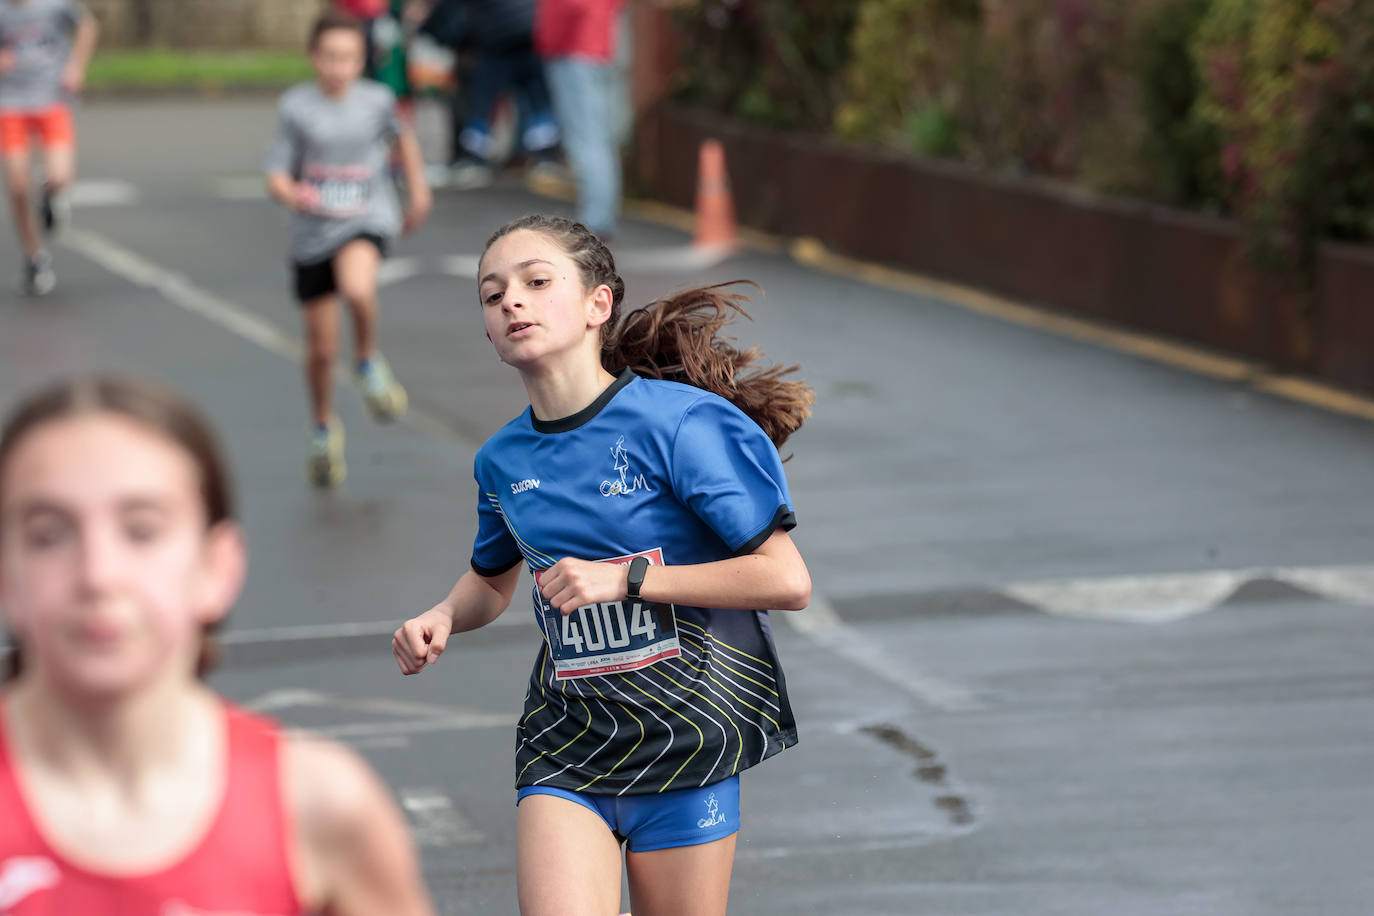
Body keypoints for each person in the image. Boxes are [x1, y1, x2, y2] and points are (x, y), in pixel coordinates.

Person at [393, 214, 814, 915]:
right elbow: (491, 583)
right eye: (492, 296)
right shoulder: (501, 461)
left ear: (598, 304)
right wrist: (442, 614)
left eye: (535, 282)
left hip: (688, 740)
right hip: (567, 745)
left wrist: (627, 578)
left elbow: (786, 579)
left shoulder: (680, 425)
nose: (511, 303)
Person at [0, 374, 435, 915]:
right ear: (6, 572)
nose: (97, 574)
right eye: (48, 535)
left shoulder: (320, 808)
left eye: (141, 530)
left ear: (216, 565)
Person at [265, 10, 432, 488]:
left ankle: (366, 361)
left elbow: (404, 143)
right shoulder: (296, 107)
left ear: (363, 60)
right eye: (330, 57)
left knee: (358, 288)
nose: (339, 66)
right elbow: (277, 168)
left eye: (349, 57)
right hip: (313, 230)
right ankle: (322, 428)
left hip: (366, 217)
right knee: (319, 350)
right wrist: (289, 192)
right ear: (313, 57)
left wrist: (418, 192)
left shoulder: (378, 101)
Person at [0, 0, 97, 296]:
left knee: (58, 178)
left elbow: (87, 25)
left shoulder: (54, 5)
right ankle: (34, 257)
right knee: (18, 186)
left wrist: (76, 67)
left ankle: (51, 199)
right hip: (10, 104)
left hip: (51, 100)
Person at [534, 0, 626, 239]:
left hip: (574, 52)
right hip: (596, 49)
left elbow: (570, 6)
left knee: (586, 140)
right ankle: (599, 216)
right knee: (597, 138)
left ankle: (596, 220)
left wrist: (547, 41)